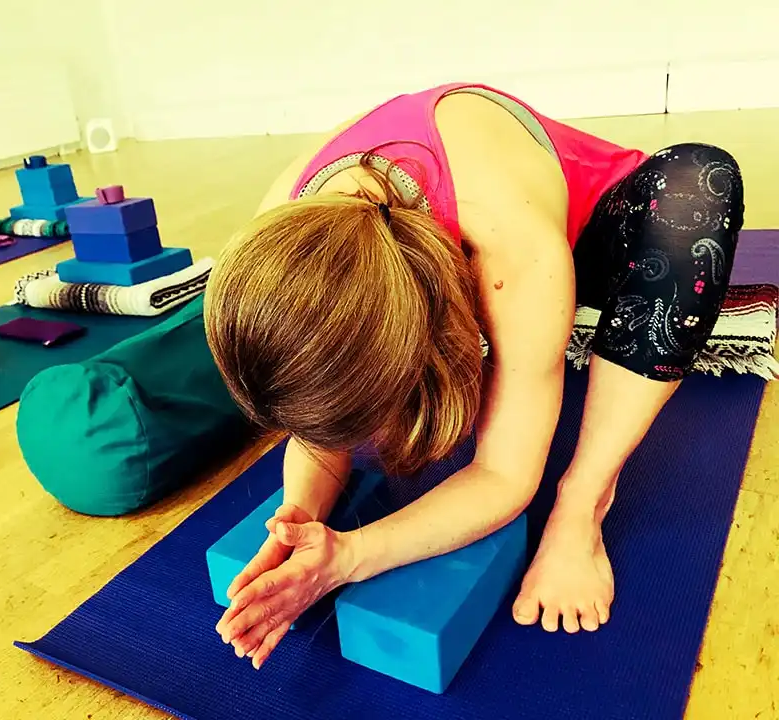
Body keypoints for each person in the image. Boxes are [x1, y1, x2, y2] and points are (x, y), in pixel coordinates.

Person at [202, 82, 744, 669]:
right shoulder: (275, 227)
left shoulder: (514, 251)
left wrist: (352, 555)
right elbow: (313, 418)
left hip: (594, 225)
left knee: (698, 187)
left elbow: (504, 476)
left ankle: (583, 505)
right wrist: (301, 519)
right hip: (440, 242)